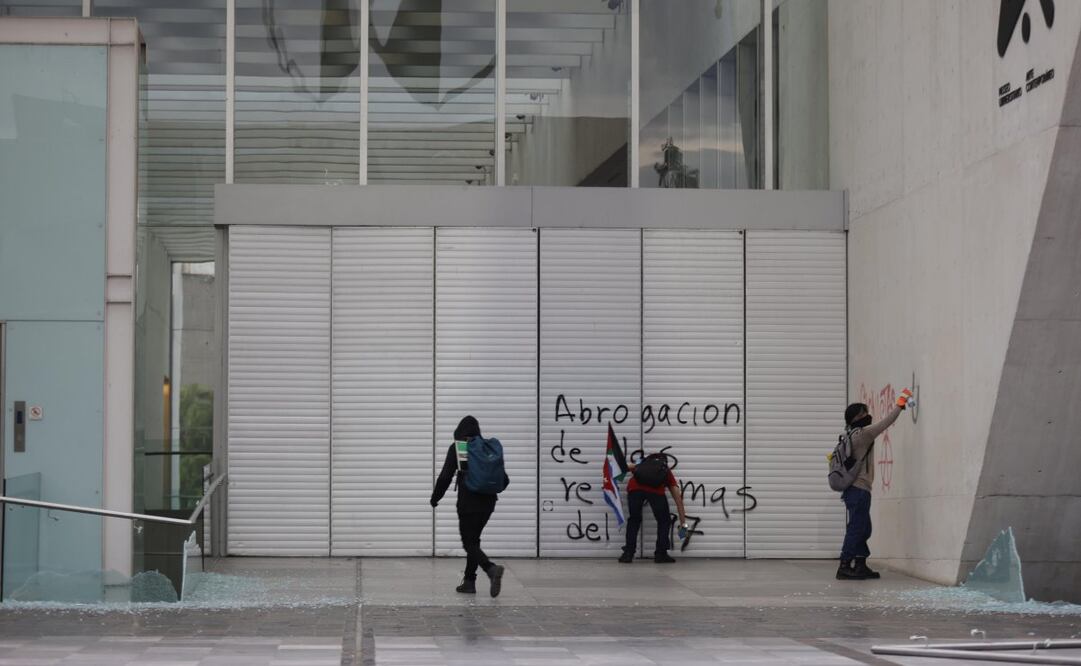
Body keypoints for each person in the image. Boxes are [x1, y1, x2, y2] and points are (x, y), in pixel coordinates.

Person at [430, 415, 508, 597]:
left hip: (468, 503)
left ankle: (491, 569)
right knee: (475, 540)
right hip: (488, 503)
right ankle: (469, 581)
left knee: (469, 542)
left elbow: (445, 477)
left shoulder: (461, 448)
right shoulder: (488, 449)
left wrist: (435, 498)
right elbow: (505, 479)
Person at [837, 397, 907, 580]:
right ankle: (844, 565)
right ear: (856, 418)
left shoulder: (849, 434)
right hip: (859, 489)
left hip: (855, 490)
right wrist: (900, 405)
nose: (868, 416)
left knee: (864, 527)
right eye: (864, 413)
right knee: (857, 528)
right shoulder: (863, 434)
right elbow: (885, 423)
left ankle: (860, 564)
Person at [618, 453, 688, 564]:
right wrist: (683, 525)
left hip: (634, 490)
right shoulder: (666, 472)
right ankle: (661, 554)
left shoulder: (641, 463)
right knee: (664, 521)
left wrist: (610, 474)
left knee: (634, 520)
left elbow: (624, 467)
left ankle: (628, 554)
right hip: (656, 492)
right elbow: (678, 501)